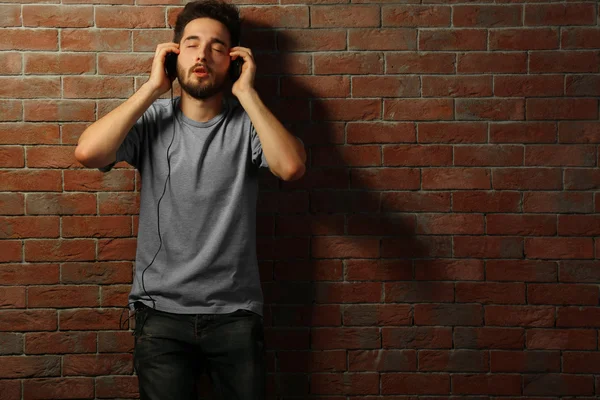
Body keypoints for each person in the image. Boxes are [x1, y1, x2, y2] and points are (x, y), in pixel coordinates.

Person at [74, 0, 306, 398]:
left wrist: (246, 92)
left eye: (217, 47)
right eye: (192, 43)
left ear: (233, 60)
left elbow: (290, 167)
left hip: (235, 314)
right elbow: (88, 152)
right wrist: (152, 88)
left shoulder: (250, 125)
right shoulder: (151, 120)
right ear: (173, 54)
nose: (202, 54)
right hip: (159, 315)